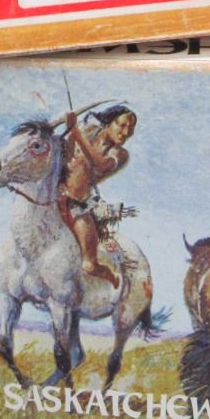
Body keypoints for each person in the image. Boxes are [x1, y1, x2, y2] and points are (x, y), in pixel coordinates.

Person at [58, 105, 137, 285]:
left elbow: (99, 164)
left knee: (89, 265)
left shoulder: (121, 154)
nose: (126, 133)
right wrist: (71, 133)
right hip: (55, 196)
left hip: (78, 205)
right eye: (122, 125)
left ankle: (113, 279)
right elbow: (68, 154)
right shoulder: (89, 131)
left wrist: (75, 131)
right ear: (108, 123)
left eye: (130, 129)